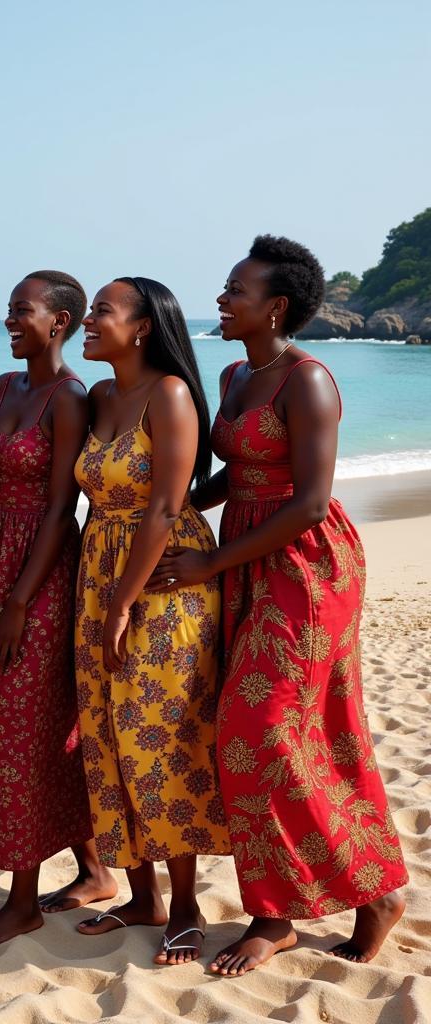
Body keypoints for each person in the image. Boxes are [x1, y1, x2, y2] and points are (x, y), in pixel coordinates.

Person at [148, 235, 408, 974]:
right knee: (307, 735)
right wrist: (170, 510)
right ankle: (350, 894)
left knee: (255, 727)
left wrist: (206, 562)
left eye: (236, 291)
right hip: (247, 557)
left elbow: (310, 500)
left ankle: (283, 914)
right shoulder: (236, 374)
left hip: (305, 565)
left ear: (277, 306)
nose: (223, 300)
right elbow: (238, 471)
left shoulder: (308, 380)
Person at [0, 271, 117, 950]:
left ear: (61, 322)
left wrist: (20, 601)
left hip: (43, 569)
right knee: (23, 715)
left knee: (29, 720)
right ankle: (96, 869)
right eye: (9, 311)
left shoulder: (70, 397)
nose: (10, 321)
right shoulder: (0, 388)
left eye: (22, 312)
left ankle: (21, 901)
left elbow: (61, 507)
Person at [73, 277, 230, 965]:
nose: (88, 319)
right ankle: (142, 895)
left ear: (141, 328)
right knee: (107, 733)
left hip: (161, 577)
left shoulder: (168, 394)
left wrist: (123, 603)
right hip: (99, 568)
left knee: (164, 736)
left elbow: (167, 506)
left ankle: (188, 904)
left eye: (102, 310)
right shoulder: (103, 396)